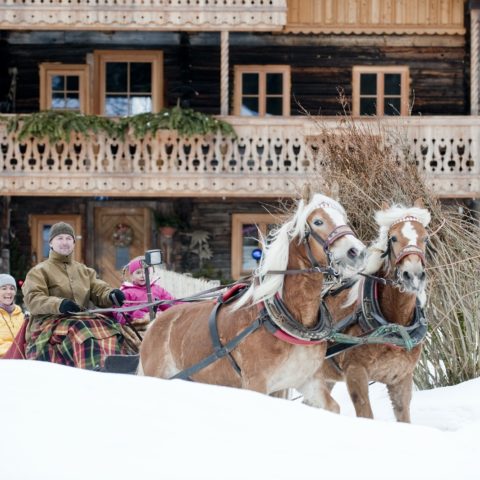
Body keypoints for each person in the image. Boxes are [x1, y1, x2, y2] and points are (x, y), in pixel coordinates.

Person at [22, 221, 129, 370]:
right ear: (51, 243)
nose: (64, 242)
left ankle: (115, 365)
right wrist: (59, 304)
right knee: (80, 328)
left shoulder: (84, 270)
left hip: (79, 318)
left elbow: (98, 289)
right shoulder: (39, 271)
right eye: (60, 238)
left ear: (73, 243)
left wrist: (110, 295)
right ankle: (93, 367)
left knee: (110, 326)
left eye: (68, 238)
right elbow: (33, 299)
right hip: (48, 323)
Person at [113, 256, 176, 326]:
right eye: (138, 273)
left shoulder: (157, 289)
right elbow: (121, 311)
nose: (143, 275)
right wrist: (130, 318)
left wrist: (183, 306)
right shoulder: (127, 292)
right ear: (131, 277)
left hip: (159, 321)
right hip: (139, 324)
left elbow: (171, 303)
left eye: (145, 272)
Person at [0, 274, 25, 358]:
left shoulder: (22, 316)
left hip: (22, 360)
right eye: (4, 288)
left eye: (12, 288)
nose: (9, 292)